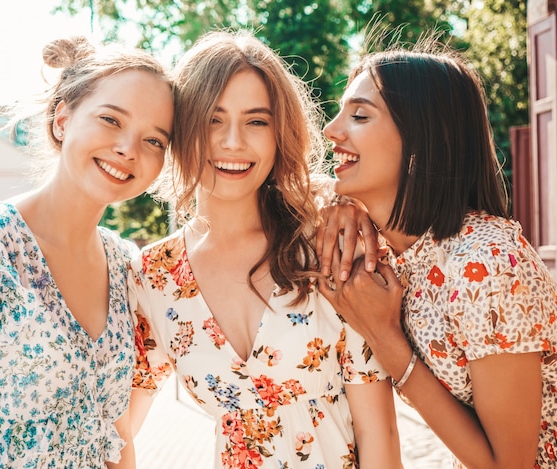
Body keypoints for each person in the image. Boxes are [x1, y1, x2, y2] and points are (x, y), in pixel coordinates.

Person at [129, 30, 403, 468]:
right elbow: (117, 430)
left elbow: (380, 432)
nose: (233, 141)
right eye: (213, 119)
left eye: (256, 120)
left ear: (280, 134)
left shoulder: (328, 243)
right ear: (181, 130)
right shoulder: (151, 276)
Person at [318, 33, 557, 469]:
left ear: (421, 140)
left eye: (359, 116)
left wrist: (387, 341)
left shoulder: (486, 264)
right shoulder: (407, 252)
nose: (331, 130)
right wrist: (338, 202)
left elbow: (510, 466)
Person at [0, 36, 174, 468]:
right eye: (111, 120)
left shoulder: (123, 263)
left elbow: (117, 432)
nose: (128, 149)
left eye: (154, 141)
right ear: (62, 120)